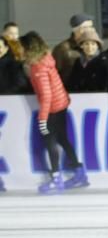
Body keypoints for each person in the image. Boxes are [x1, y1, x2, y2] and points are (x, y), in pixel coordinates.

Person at [21, 32, 89, 193]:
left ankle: (56, 178)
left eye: (22, 47)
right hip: (61, 104)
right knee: (62, 139)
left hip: (52, 108)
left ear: (29, 48)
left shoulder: (38, 67)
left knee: (50, 141)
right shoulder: (46, 60)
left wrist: (42, 119)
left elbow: (46, 95)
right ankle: (80, 173)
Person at [52, 13, 95, 84]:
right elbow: (54, 73)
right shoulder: (63, 49)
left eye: (92, 27)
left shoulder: (94, 46)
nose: (92, 30)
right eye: (89, 27)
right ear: (80, 29)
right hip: (70, 91)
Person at [67, 28, 108, 93]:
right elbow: (72, 82)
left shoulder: (104, 62)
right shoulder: (78, 61)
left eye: (93, 44)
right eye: (86, 44)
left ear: (98, 46)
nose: (90, 47)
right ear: (81, 46)